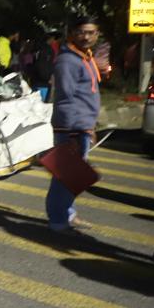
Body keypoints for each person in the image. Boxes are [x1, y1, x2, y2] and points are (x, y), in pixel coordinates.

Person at [45, 15, 101, 234]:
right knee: (65, 176)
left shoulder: (84, 57)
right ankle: (58, 221)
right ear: (72, 33)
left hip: (81, 126)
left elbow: (86, 96)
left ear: (97, 35)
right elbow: (66, 98)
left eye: (90, 32)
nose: (85, 37)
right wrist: (70, 135)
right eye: (81, 32)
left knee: (72, 175)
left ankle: (68, 214)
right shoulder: (68, 60)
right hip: (71, 128)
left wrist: (90, 127)